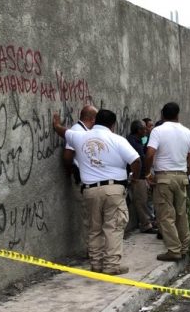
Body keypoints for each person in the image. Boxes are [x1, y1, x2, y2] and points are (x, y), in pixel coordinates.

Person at [53, 109, 140, 275]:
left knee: (94, 228)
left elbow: (63, 132)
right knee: (113, 228)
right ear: (112, 124)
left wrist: (56, 124)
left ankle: (96, 264)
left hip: (90, 190)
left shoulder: (79, 137)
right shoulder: (117, 139)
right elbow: (135, 160)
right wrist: (133, 177)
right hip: (114, 189)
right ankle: (111, 266)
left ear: (95, 121)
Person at [144, 102, 190, 261]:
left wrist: (147, 173)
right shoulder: (187, 132)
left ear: (162, 115)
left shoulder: (158, 131)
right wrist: (188, 171)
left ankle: (174, 250)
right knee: (182, 214)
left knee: (166, 215)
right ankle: (185, 246)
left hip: (164, 177)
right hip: (182, 176)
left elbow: (150, 153)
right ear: (178, 114)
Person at [65, 105, 98, 253]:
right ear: (92, 119)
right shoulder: (77, 132)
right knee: (89, 218)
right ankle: (91, 251)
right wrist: (72, 171)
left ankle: (94, 250)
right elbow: (67, 155)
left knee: (93, 217)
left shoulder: (84, 131)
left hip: (89, 182)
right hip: (82, 181)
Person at [126, 120, 158, 234]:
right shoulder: (133, 142)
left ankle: (148, 221)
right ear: (138, 130)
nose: (146, 130)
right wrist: (142, 175)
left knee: (144, 200)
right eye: (144, 128)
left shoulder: (138, 141)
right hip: (138, 176)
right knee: (141, 201)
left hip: (141, 176)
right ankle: (146, 225)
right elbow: (138, 160)